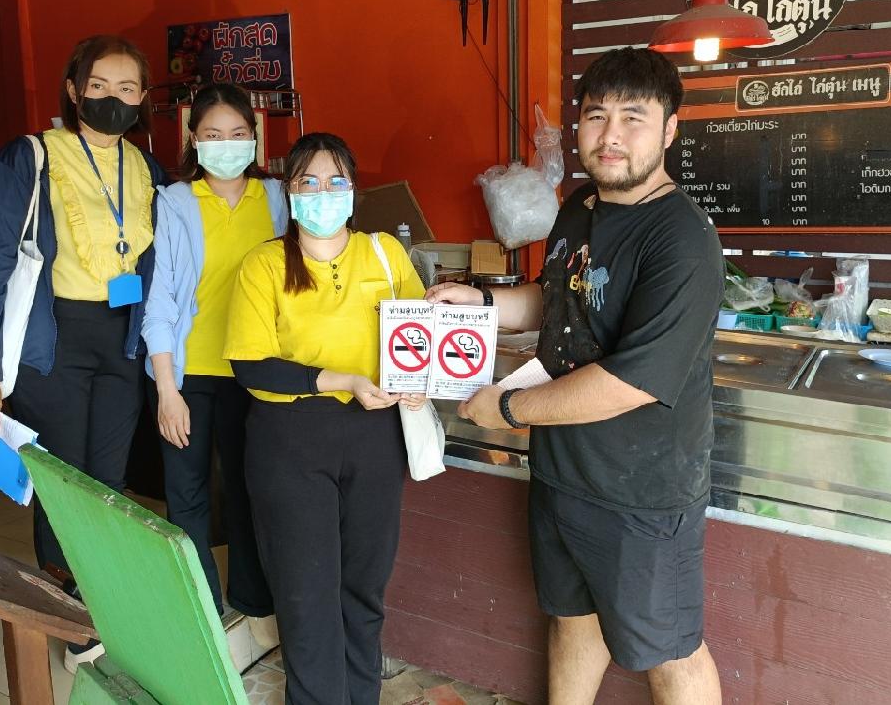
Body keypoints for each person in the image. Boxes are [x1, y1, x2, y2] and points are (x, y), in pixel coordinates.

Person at [427, 47, 724, 705]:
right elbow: (556, 300)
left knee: (669, 651)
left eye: (632, 117)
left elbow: (630, 382)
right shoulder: (580, 207)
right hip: (564, 474)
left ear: (670, 130)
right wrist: (479, 302)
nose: (610, 135)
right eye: (595, 116)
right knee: (571, 619)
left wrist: (508, 410)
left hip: (641, 493)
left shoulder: (682, 239)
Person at [0, 34, 167, 671]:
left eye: (127, 88)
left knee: (107, 480)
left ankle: (99, 597)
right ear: (74, 90)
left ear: (142, 97)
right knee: (63, 481)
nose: (112, 99)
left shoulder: (146, 166)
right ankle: (71, 620)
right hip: (53, 342)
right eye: (99, 86)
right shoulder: (31, 157)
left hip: (122, 339)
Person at [222, 132, 426, 705]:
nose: (323, 193)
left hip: (375, 439)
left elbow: (420, 335)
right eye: (308, 181)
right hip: (291, 443)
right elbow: (250, 365)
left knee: (363, 589)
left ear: (354, 190)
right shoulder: (264, 264)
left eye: (336, 180)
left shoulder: (384, 254)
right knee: (306, 596)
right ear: (289, 192)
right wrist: (345, 381)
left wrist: (420, 382)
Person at [142, 83, 286, 625]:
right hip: (190, 373)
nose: (227, 145)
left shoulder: (277, 198)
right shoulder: (175, 202)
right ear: (194, 139)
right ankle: (201, 607)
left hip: (257, 370)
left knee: (253, 489)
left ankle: (253, 600)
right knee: (188, 493)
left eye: (238, 133)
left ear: (254, 137)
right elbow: (159, 301)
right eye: (213, 134)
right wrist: (166, 390)